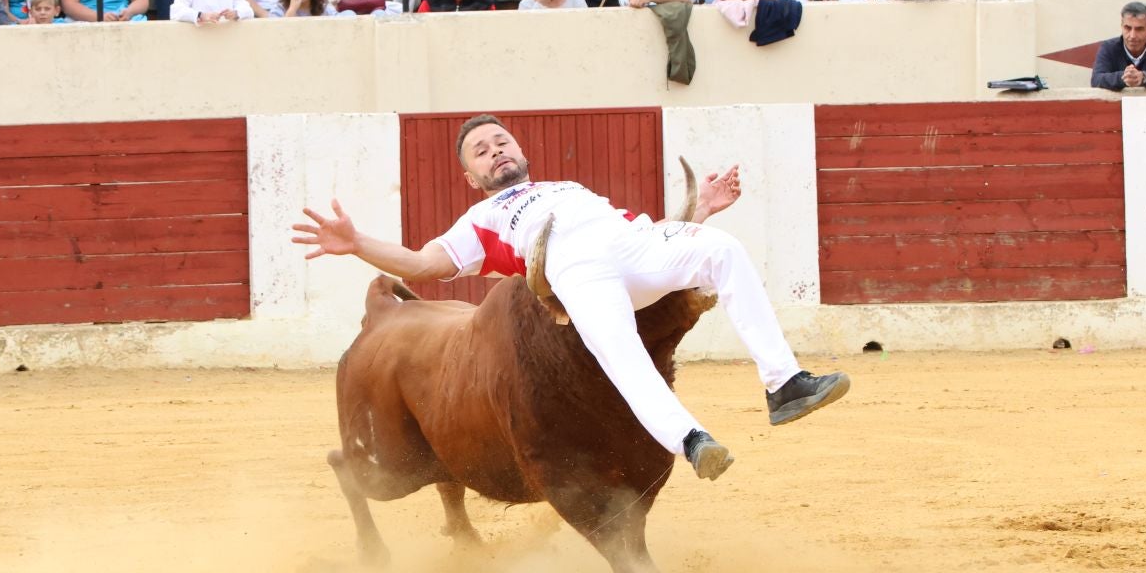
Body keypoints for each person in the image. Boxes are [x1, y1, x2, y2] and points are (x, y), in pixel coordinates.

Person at [291, 114, 850, 479]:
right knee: (623, 355)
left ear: (519, 149)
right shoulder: (481, 218)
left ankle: (785, 384)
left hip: (633, 245)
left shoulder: (570, 189)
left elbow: (655, 235)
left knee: (722, 249)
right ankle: (692, 441)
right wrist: (357, 242)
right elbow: (420, 264)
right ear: (469, 176)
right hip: (576, 275)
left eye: (501, 142)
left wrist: (699, 210)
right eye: (481, 152)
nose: (496, 152)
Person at [1090, 0, 1146, 88]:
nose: (1132, 35)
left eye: (1139, 29)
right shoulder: (1108, 47)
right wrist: (1124, 77)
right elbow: (1096, 80)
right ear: (1121, 26)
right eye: (1127, 28)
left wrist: (1144, 77)